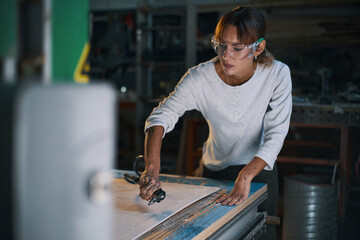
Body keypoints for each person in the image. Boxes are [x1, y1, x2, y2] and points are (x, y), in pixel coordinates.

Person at [139, 6, 292, 239]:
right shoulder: (200, 78)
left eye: (237, 48)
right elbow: (161, 116)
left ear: (258, 48)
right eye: (221, 45)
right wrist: (152, 167)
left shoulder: (277, 74)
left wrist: (246, 175)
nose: (226, 55)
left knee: (260, 230)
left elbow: (276, 133)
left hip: (258, 170)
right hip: (213, 171)